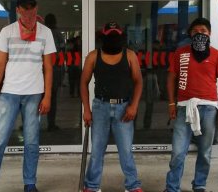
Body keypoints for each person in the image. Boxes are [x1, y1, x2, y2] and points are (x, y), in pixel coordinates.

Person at [0, 0, 56, 192]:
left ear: (36, 8)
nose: (28, 11)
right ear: (18, 10)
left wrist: (47, 96)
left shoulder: (45, 33)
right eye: (25, 8)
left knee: (31, 142)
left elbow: (48, 67)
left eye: (32, 7)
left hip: (34, 95)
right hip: (9, 93)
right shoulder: (7, 32)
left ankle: (30, 183)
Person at [163, 17, 218, 192]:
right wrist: (171, 103)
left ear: (210, 34)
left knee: (205, 152)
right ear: (190, 34)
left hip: (208, 108)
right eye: (196, 32)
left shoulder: (216, 54)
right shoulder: (181, 53)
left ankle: (199, 184)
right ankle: (172, 187)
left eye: (204, 32)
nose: (200, 34)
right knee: (178, 152)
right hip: (184, 107)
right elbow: (171, 78)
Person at [80, 21, 144, 192]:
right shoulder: (93, 56)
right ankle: (92, 186)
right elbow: (83, 83)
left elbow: (138, 82)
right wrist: (86, 109)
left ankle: (132, 185)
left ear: (121, 37)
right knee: (97, 150)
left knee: (125, 150)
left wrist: (134, 106)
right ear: (103, 37)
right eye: (110, 36)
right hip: (100, 107)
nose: (114, 39)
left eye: (117, 36)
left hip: (124, 107)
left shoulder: (129, 55)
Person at [44, 13, 65, 131]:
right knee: (52, 98)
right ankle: (51, 123)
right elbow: (62, 52)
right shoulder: (58, 34)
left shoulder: (42, 33)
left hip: (41, 71)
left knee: (36, 98)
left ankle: (30, 124)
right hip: (55, 70)